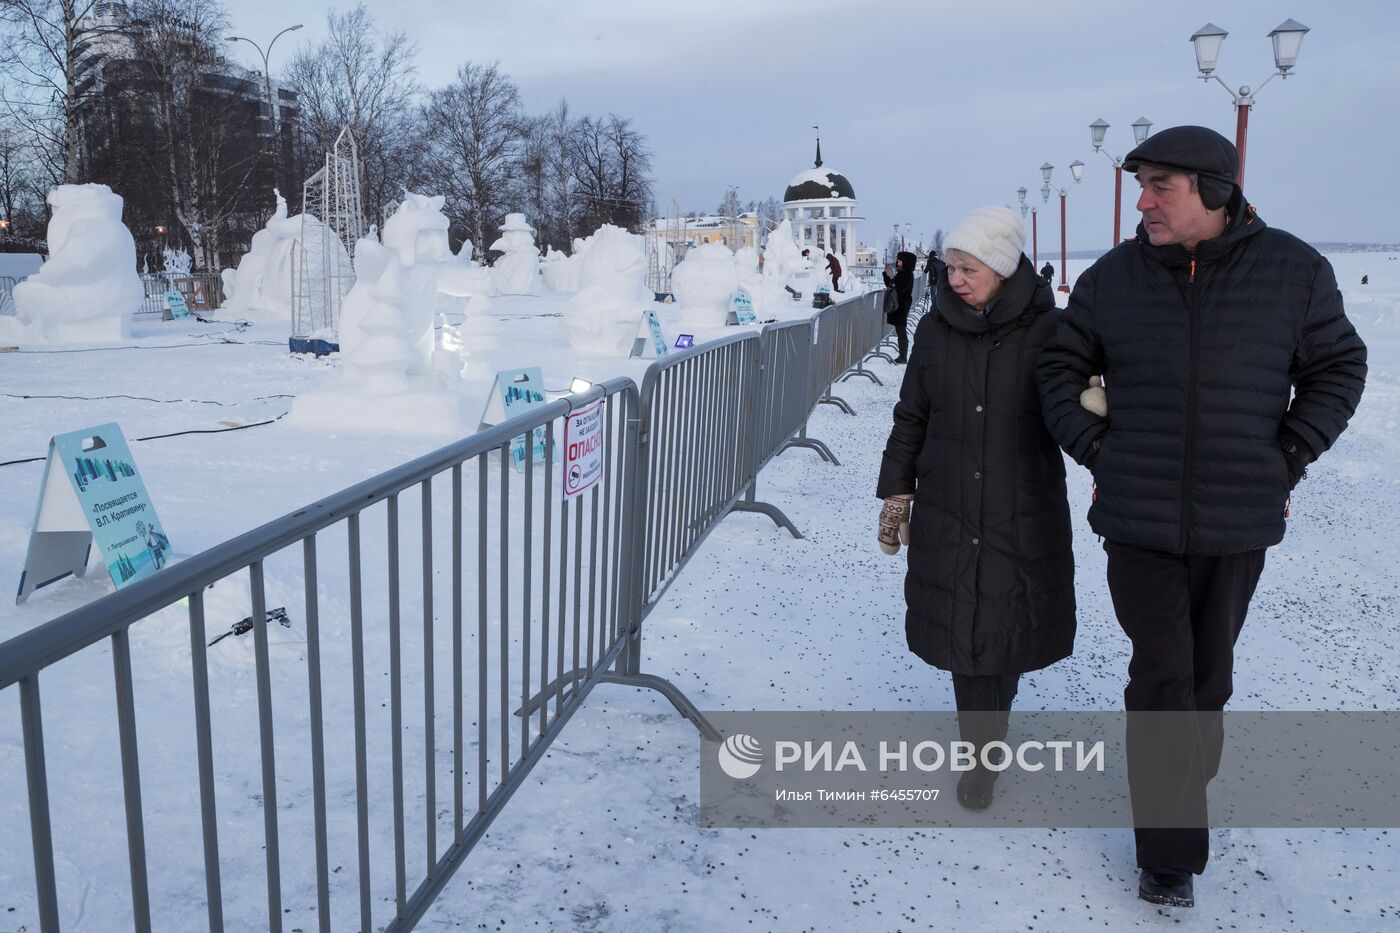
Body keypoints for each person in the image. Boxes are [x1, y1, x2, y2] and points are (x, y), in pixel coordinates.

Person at [1036, 125, 1367, 909]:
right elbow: (1057, 366)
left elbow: (1339, 367)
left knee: (1206, 681)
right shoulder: (1113, 279)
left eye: (1161, 187)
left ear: (1214, 192)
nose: (1143, 201)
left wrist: (1287, 455)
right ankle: (1170, 854)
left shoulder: (1294, 270)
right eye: (1141, 184)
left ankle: (1179, 786)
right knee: (1162, 675)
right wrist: (1099, 451)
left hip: (1238, 519)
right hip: (1138, 519)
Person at [877, 206, 1076, 810]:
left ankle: (993, 731)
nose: (954, 279)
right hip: (951, 503)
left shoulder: (1052, 331)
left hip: (1022, 504)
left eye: (968, 268)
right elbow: (912, 415)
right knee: (965, 628)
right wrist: (895, 492)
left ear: (1003, 267)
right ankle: (980, 753)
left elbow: (1077, 409)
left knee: (1004, 625)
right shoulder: (936, 331)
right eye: (951, 267)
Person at [882, 251, 916, 362]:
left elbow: (900, 288)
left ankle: (903, 356)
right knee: (899, 330)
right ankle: (902, 355)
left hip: (902, 305)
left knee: (901, 330)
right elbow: (891, 285)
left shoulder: (907, 274)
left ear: (906, 262)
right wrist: (886, 275)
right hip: (899, 305)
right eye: (898, 260)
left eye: (900, 261)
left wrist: (891, 277)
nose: (898, 262)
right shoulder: (901, 273)